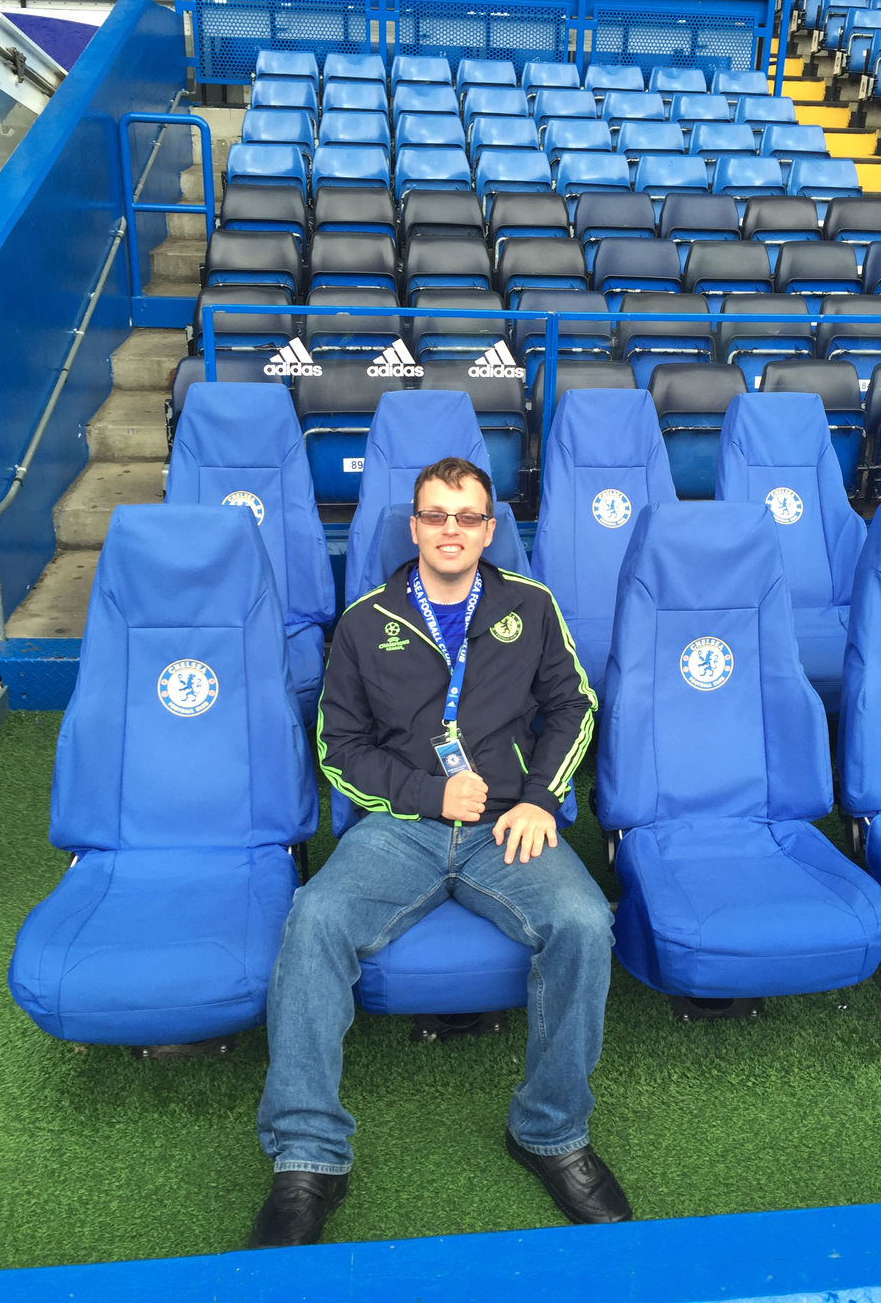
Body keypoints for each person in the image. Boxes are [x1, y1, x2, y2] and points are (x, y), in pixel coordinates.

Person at [249, 456, 630, 1247]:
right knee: (315, 917)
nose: (450, 530)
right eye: (435, 515)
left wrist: (540, 799)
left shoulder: (530, 605)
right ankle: (308, 1158)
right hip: (401, 827)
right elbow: (338, 747)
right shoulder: (366, 622)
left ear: (489, 529)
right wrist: (427, 795)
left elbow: (575, 707)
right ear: (415, 526)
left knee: (585, 922)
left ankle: (549, 1131)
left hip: (506, 825)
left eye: (467, 516)